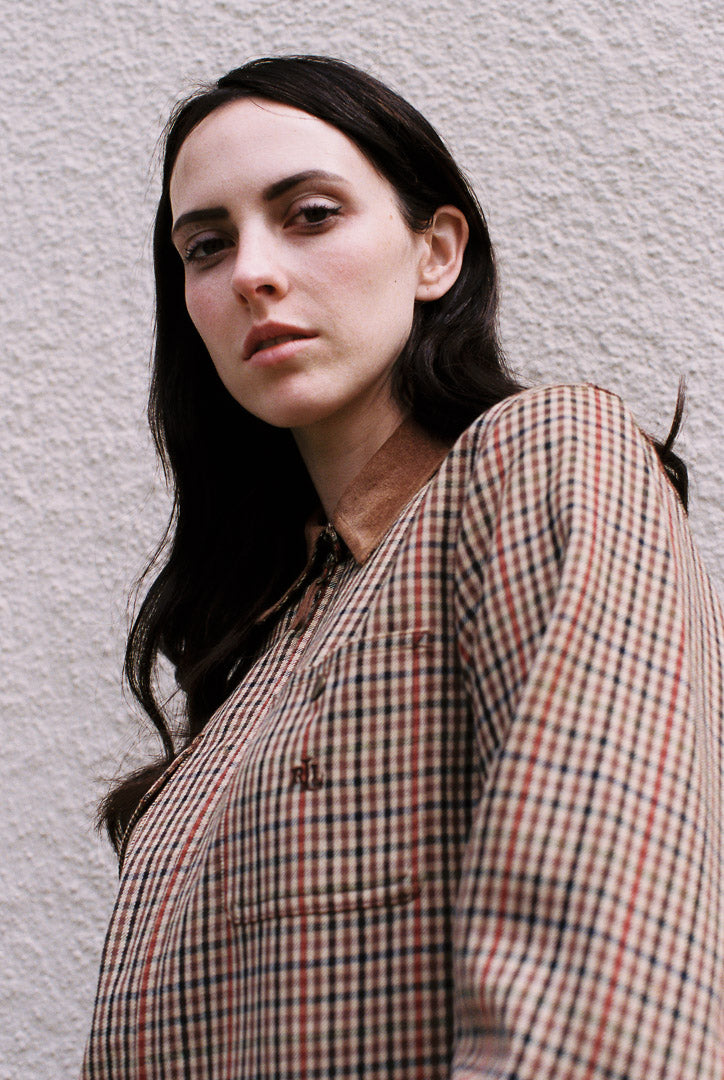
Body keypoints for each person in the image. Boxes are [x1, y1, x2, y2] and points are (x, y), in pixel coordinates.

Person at [83, 55, 722, 1079]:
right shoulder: (257, 652)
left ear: (436, 253)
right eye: (206, 244)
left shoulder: (544, 459)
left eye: (309, 214)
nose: (249, 269)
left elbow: (601, 978)